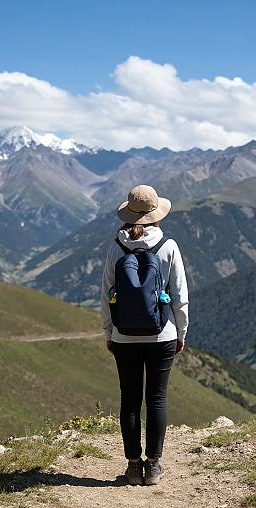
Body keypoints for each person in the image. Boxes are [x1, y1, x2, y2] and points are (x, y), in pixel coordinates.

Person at [100, 184, 189, 486]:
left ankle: (132, 466)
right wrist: (181, 331)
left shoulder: (116, 246)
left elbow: (106, 295)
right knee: (157, 399)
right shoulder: (169, 246)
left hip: (124, 336)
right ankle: (153, 466)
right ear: (155, 214)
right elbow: (180, 296)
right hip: (162, 334)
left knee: (129, 400)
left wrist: (109, 332)